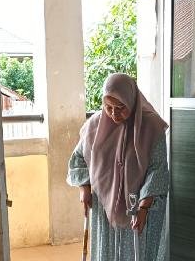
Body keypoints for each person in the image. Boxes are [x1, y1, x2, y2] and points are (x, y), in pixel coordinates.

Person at [67, 73, 169, 261]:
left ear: (131, 100)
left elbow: (157, 169)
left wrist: (144, 207)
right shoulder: (94, 126)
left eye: (120, 108)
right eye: (108, 107)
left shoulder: (152, 127)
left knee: (137, 253)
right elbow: (78, 158)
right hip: (103, 205)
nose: (114, 114)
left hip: (138, 206)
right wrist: (84, 187)